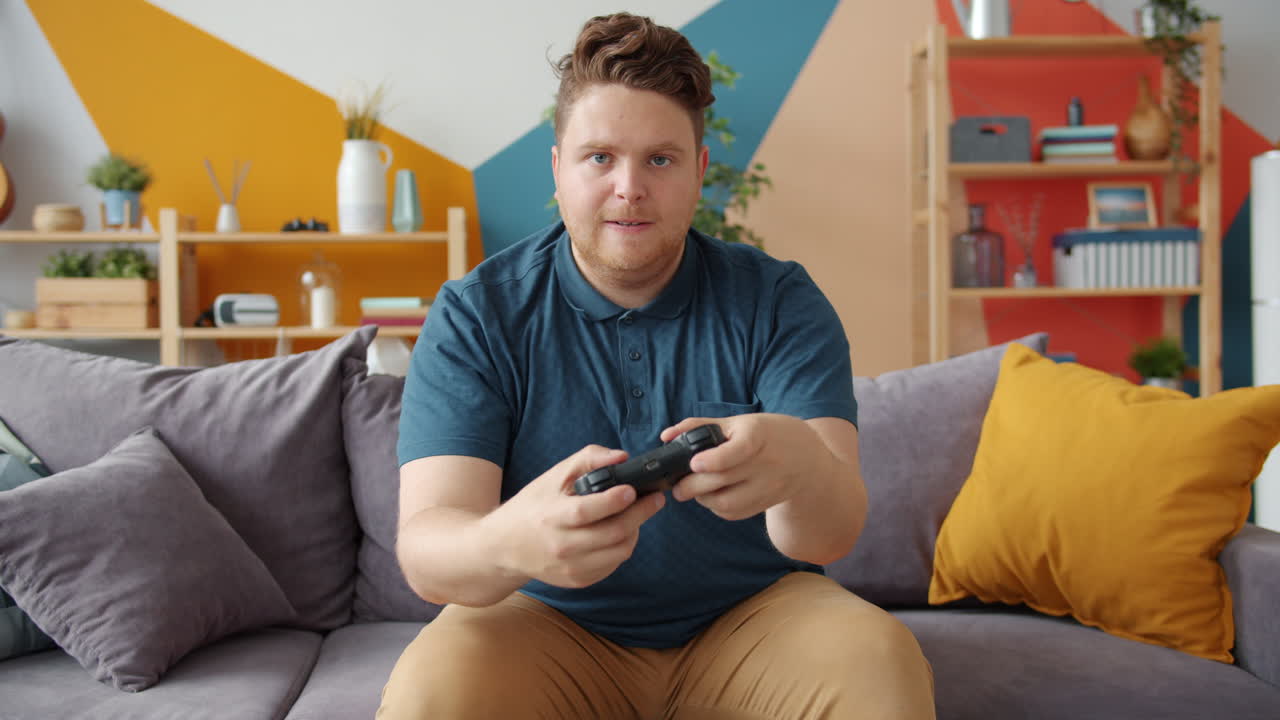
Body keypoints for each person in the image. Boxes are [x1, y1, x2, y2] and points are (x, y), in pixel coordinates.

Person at [379, 12, 935, 720]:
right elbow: (429, 553)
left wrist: (804, 465)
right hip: (543, 620)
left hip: (758, 616)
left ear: (699, 172)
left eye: (661, 160)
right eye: (600, 157)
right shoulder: (476, 315)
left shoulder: (779, 300)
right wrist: (510, 540)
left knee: (880, 666)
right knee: (432, 692)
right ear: (557, 169)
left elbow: (825, 535)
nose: (629, 187)